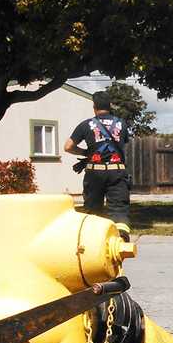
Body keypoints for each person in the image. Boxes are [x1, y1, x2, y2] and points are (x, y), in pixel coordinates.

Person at [65, 91, 132, 240]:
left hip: (94, 172)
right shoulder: (122, 124)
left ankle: (92, 240)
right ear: (110, 106)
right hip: (117, 172)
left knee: (93, 209)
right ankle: (120, 237)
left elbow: (68, 146)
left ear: (94, 107)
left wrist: (85, 153)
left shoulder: (86, 124)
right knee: (119, 209)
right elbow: (123, 145)